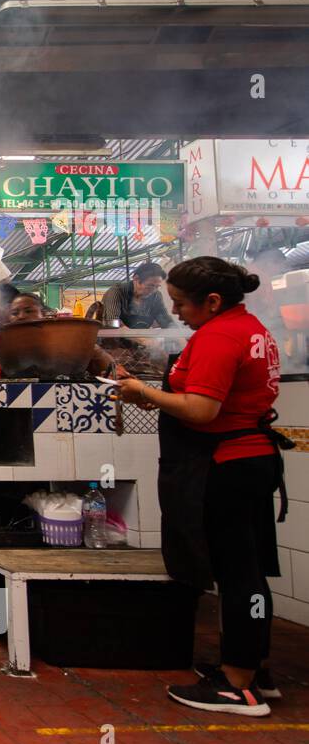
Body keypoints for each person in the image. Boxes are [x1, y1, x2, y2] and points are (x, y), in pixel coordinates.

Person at [116, 257, 291, 717]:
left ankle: (239, 687)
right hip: (250, 459)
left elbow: (201, 410)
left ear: (212, 301)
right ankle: (252, 668)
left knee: (238, 574)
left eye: (180, 303)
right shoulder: (250, 328)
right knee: (249, 570)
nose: (175, 311)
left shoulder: (218, 337)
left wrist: (143, 393)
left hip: (226, 463)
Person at [99, 261, 175, 328]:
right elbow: (112, 323)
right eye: (150, 286)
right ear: (136, 279)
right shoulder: (117, 291)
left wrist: (181, 339)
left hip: (140, 342)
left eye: (157, 287)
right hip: (110, 342)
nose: (153, 290)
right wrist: (143, 340)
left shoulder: (156, 296)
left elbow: (166, 321)